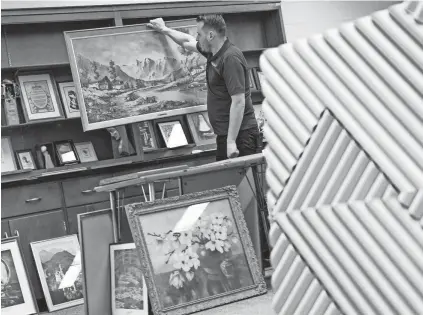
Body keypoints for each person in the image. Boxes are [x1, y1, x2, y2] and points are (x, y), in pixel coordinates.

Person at [148, 15, 260, 161]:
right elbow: (187, 41)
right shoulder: (212, 52)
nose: (197, 37)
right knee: (227, 182)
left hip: (242, 136)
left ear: (211, 35)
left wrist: (231, 142)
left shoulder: (230, 58)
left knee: (244, 182)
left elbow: (238, 102)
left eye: (199, 34)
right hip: (226, 135)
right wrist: (164, 29)